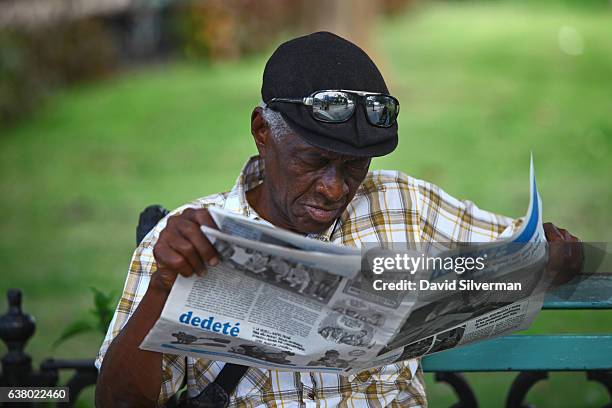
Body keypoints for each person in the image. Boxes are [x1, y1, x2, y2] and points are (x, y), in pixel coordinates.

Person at [95, 31, 583, 407]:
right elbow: (118, 401)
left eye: (353, 167)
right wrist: (163, 288)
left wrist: (550, 255)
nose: (335, 189)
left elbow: (520, 249)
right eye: (313, 162)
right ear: (262, 131)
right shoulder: (189, 236)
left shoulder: (404, 203)